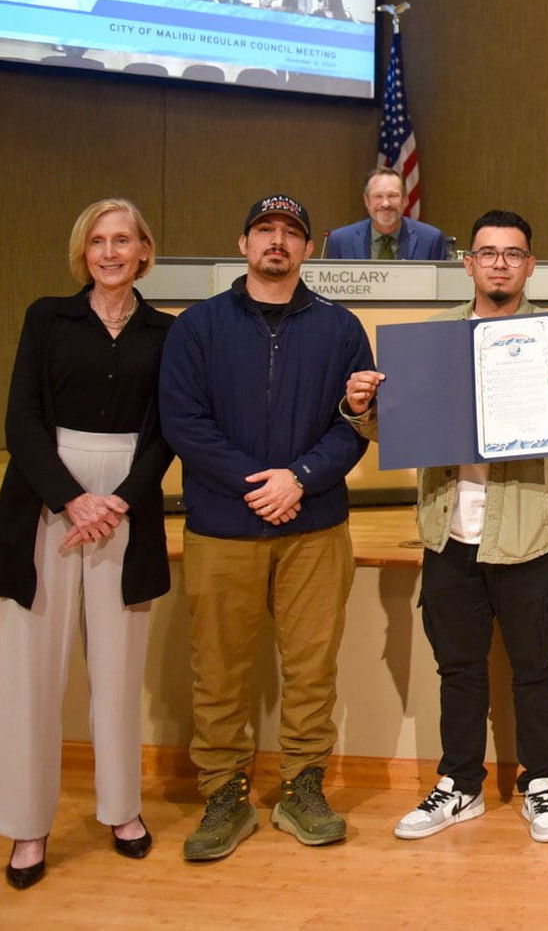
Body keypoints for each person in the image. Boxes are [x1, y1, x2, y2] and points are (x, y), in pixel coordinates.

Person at [342, 210, 548, 845]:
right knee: (457, 667)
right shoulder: (433, 337)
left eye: (512, 254)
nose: (498, 264)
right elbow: (392, 430)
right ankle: (459, 784)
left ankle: (541, 782)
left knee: (535, 666)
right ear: (468, 264)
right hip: (449, 532)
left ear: (529, 265)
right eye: (487, 253)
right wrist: (361, 408)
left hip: (530, 534)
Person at [158, 195, 373, 862]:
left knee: (311, 666)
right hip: (224, 524)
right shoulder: (198, 327)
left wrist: (300, 477)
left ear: (307, 249)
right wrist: (261, 483)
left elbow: (356, 421)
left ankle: (301, 785)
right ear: (244, 242)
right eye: (264, 231)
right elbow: (184, 424)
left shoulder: (340, 328)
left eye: (290, 233)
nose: (277, 242)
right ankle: (224, 791)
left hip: (314, 526)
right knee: (219, 668)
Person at [0, 200, 174, 889]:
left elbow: (167, 431)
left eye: (123, 239)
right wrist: (72, 497)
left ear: (145, 249)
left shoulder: (165, 332)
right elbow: (20, 418)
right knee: (31, 671)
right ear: (82, 251)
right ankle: (28, 825)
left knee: (118, 671)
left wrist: (118, 498)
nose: (111, 251)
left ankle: (121, 809)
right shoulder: (46, 318)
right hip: (47, 498)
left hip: (126, 504)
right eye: (98, 240)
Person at [321, 168, 451, 260]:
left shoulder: (431, 239)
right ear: (367, 201)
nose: (385, 204)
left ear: (405, 200)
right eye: (378, 196)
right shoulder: (340, 240)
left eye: (392, 196)